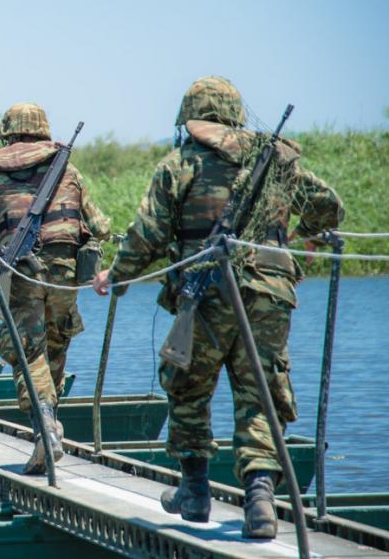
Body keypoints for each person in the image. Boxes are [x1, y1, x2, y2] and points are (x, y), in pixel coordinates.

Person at [92, 76, 344, 538]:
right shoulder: (273, 162)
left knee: (187, 387)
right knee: (261, 396)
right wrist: (300, 235)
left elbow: (147, 234)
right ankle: (260, 499)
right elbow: (329, 207)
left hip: (206, 296)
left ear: (191, 118)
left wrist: (117, 277)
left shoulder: (179, 164)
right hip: (269, 296)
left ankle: (195, 491)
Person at [0, 102, 110, 473]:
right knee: (53, 343)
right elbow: (98, 226)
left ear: (8, 132)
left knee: (23, 347)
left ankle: (45, 429)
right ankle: (50, 423)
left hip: (21, 272)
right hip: (65, 271)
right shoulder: (67, 170)